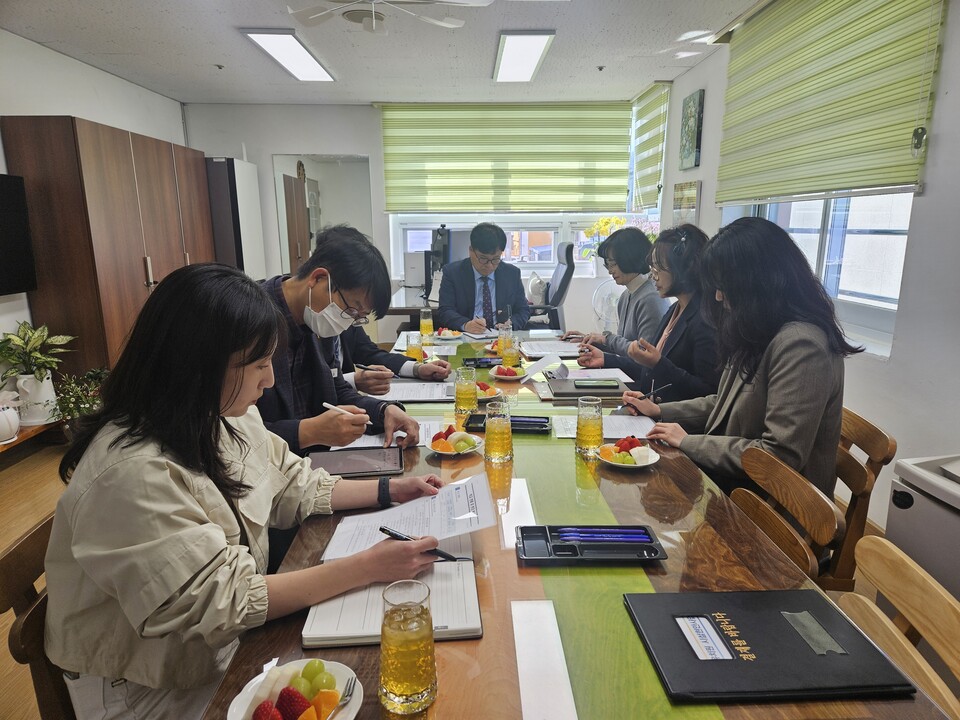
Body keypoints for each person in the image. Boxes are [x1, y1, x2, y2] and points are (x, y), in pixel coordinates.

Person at [44, 264, 444, 719]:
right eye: (257, 365)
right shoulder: (130, 473)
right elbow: (226, 602)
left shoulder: (219, 413)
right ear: (197, 365)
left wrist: (393, 489)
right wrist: (368, 566)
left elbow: (293, 482)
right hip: (148, 684)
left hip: (215, 646)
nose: (269, 380)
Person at [622, 217, 862, 496]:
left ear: (758, 283)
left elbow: (777, 457)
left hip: (767, 507)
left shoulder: (801, 345)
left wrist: (688, 441)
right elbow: (723, 403)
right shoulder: (759, 329)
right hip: (732, 483)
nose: (720, 297)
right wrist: (661, 411)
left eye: (725, 286)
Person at [257, 225, 421, 454]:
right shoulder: (250, 317)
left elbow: (335, 390)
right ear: (319, 278)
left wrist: (384, 410)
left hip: (315, 466)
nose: (348, 321)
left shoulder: (315, 317)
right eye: (352, 309)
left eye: (358, 317)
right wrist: (308, 431)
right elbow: (229, 430)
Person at [577, 225, 720, 403]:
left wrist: (658, 364)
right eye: (652, 268)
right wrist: (606, 359)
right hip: (648, 406)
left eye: (659, 269)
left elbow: (708, 393)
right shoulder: (674, 311)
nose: (653, 276)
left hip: (672, 421)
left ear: (682, 269)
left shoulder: (704, 320)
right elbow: (647, 367)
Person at [561, 227, 668, 352]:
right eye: (607, 265)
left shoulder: (651, 299)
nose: (610, 271)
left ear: (629, 258)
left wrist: (607, 339)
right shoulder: (626, 295)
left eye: (613, 264)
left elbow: (644, 354)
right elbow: (623, 348)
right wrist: (591, 340)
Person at [436, 222, 531, 333]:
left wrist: (511, 324)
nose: (489, 265)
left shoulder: (512, 274)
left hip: (501, 338)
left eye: (495, 259)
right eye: (483, 258)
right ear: (471, 251)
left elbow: (523, 310)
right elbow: (445, 310)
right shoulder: (453, 273)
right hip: (467, 338)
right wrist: (466, 325)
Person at [338, 324, 451, 396]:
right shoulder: (324, 324)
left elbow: (370, 353)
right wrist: (353, 381)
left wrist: (417, 369)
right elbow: (321, 383)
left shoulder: (350, 318)